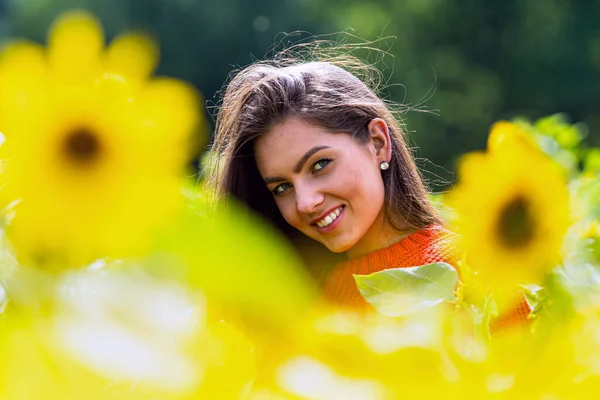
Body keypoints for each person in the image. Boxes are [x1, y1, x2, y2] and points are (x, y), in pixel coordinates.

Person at [209, 50, 529, 328]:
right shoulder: (302, 305)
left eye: (320, 165)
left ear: (377, 143)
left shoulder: (477, 269)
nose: (305, 202)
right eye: (281, 187)